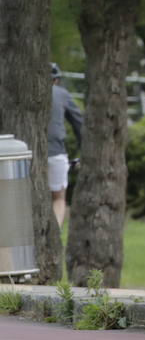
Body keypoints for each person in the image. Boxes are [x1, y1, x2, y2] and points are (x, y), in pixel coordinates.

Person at [48, 63, 82, 228]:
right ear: (55, 80)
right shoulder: (61, 94)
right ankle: (53, 237)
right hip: (56, 153)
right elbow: (80, 125)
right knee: (59, 198)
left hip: (23, 155)